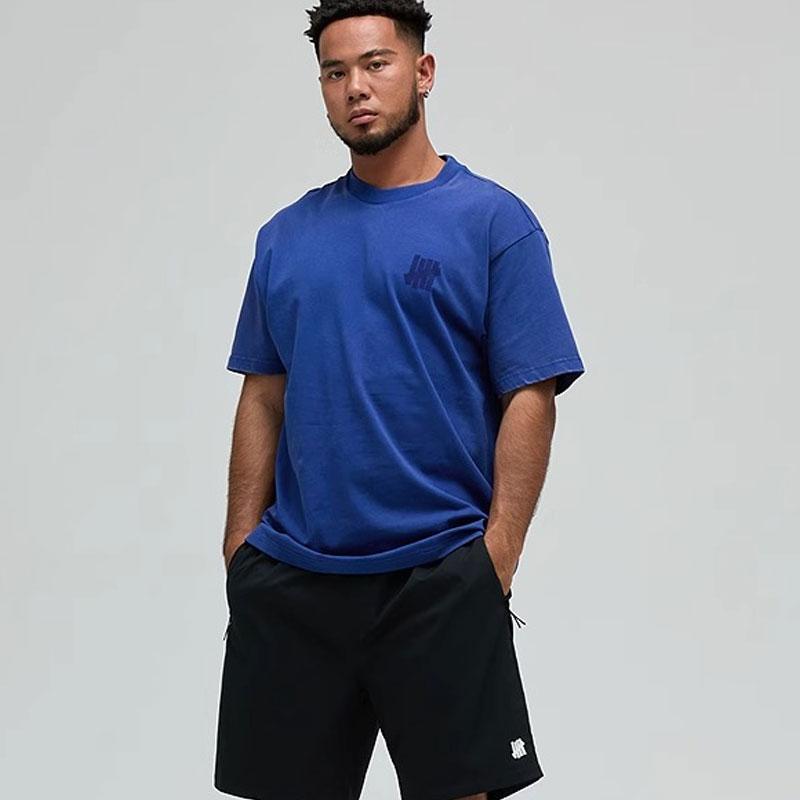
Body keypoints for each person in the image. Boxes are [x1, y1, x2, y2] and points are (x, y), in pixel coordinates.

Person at [213, 2, 586, 799]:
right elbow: (263, 394)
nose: (356, 87)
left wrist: (496, 558)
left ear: (423, 72)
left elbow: (531, 393)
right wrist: (240, 546)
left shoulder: (494, 222)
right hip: (294, 580)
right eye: (335, 71)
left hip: (439, 578)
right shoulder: (285, 236)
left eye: (376, 64)